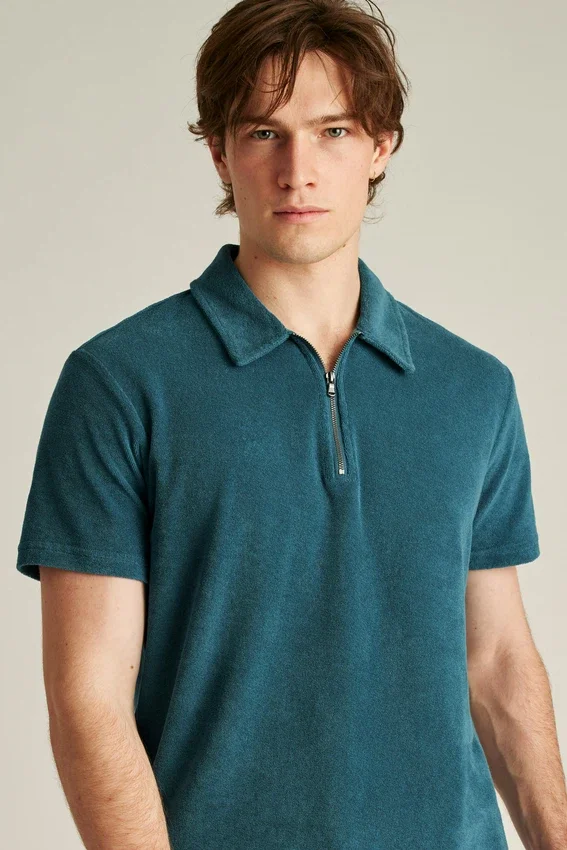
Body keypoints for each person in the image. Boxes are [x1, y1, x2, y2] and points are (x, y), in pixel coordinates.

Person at [16, 1, 567, 849]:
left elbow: (494, 662)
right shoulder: (119, 383)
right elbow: (88, 702)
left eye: (333, 131)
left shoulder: (473, 390)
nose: (296, 171)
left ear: (381, 146)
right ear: (219, 151)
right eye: (263, 133)